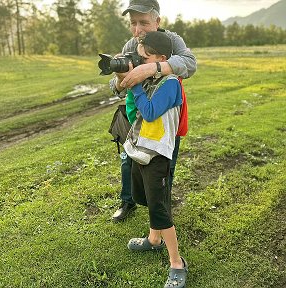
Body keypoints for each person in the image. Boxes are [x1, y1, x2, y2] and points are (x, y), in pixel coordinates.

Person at [110, 0, 197, 222]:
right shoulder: (130, 46)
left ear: (157, 21)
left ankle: (162, 210)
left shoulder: (172, 40)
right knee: (128, 160)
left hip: (165, 119)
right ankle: (128, 201)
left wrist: (152, 67)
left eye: (144, 23)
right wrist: (122, 81)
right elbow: (116, 88)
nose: (138, 30)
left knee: (165, 164)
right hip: (138, 117)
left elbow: (189, 63)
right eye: (133, 23)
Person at [124, 30, 188, 288]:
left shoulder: (171, 82)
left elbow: (149, 113)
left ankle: (177, 263)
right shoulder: (151, 80)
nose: (141, 64)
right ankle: (153, 240)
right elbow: (134, 112)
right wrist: (126, 80)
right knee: (147, 201)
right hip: (141, 151)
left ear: (162, 58)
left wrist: (136, 84)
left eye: (145, 58)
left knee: (160, 208)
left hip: (158, 156)